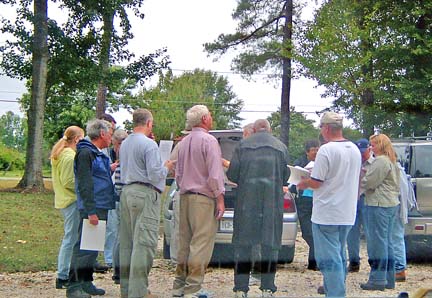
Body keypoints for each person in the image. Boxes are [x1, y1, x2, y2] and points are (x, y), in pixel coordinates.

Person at [297, 112, 361, 297]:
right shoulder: (354, 149)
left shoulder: (326, 150)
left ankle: (335, 293)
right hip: (347, 211)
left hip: (327, 212)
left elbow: (317, 182)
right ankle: (335, 289)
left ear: (325, 128)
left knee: (328, 258)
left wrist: (303, 182)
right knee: (339, 253)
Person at [227, 119, 289, 298]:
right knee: (270, 245)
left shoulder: (243, 145)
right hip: (272, 203)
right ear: (269, 130)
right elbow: (285, 176)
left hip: (247, 203)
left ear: (253, 130)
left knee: (243, 244)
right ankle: (268, 288)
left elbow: (232, 173)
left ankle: (240, 289)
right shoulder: (280, 147)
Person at [119, 108, 174, 298]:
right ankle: (139, 291)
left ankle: (126, 289)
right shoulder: (149, 145)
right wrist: (166, 167)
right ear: (149, 123)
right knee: (144, 243)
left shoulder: (125, 142)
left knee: (127, 243)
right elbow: (154, 174)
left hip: (126, 191)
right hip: (145, 193)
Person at [172, 105, 225, 298]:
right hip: (203, 199)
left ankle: (178, 285)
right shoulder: (209, 141)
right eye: (210, 115)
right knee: (201, 243)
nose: (211, 118)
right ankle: (193, 288)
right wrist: (220, 198)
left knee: (184, 242)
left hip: (184, 195)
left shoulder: (183, 142)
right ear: (204, 119)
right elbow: (215, 174)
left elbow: (177, 172)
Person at [68, 119, 115, 298]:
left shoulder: (97, 152)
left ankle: (86, 281)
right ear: (102, 134)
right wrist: (91, 211)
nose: (111, 136)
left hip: (101, 204)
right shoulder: (86, 153)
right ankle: (74, 286)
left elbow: (97, 175)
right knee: (83, 248)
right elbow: (85, 184)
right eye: (110, 133)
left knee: (92, 246)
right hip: (92, 207)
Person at [360, 133, 400, 291]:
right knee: (387, 242)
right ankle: (389, 278)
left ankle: (377, 279)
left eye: (374, 145)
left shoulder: (380, 161)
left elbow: (369, 182)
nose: (371, 148)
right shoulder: (391, 160)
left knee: (378, 243)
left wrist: (361, 177)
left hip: (378, 204)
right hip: (390, 204)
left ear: (381, 145)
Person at [51, 126, 85, 290]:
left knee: (71, 237)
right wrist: (84, 185)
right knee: (70, 238)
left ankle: (66, 273)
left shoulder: (61, 154)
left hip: (65, 200)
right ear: (77, 139)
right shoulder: (69, 156)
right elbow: (68, 181)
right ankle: (63, 275)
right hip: (71, 201)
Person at [291, 139, 320, 271]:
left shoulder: (322, 162)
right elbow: (293, 179)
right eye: (313, 150)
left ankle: (313, 262)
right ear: (307, 152)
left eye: (317, 149)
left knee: (316, 231)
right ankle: (315, 259)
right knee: (307, 232)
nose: (316, 152)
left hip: (318, 200)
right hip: (303, 200)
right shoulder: (300, 163)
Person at [346, 138, 374, 273]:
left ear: (370, 149)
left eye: (364, 151)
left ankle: (373, 261)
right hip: (353, 200)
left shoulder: (375, 163)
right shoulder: (353, 163)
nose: (362, 154)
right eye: (360, 152)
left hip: (368, 199)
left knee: (370, 232)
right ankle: (354, 261)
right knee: (351, 232)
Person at [108, 129, 128, 285]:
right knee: (122, 235)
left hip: (118, 197)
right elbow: (120, 183)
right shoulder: (123, 157)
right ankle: (119, 270)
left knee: (119, 235)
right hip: (121, 199)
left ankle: (118, 269)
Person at [99, 113, 118, 271]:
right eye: (110, 129)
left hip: (105, 193)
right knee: (97, 228)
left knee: (110, 226)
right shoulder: (90, 149)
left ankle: (108, 257)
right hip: (96, 197)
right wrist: (111, 168)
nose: (112, 132)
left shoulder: (104, 149)